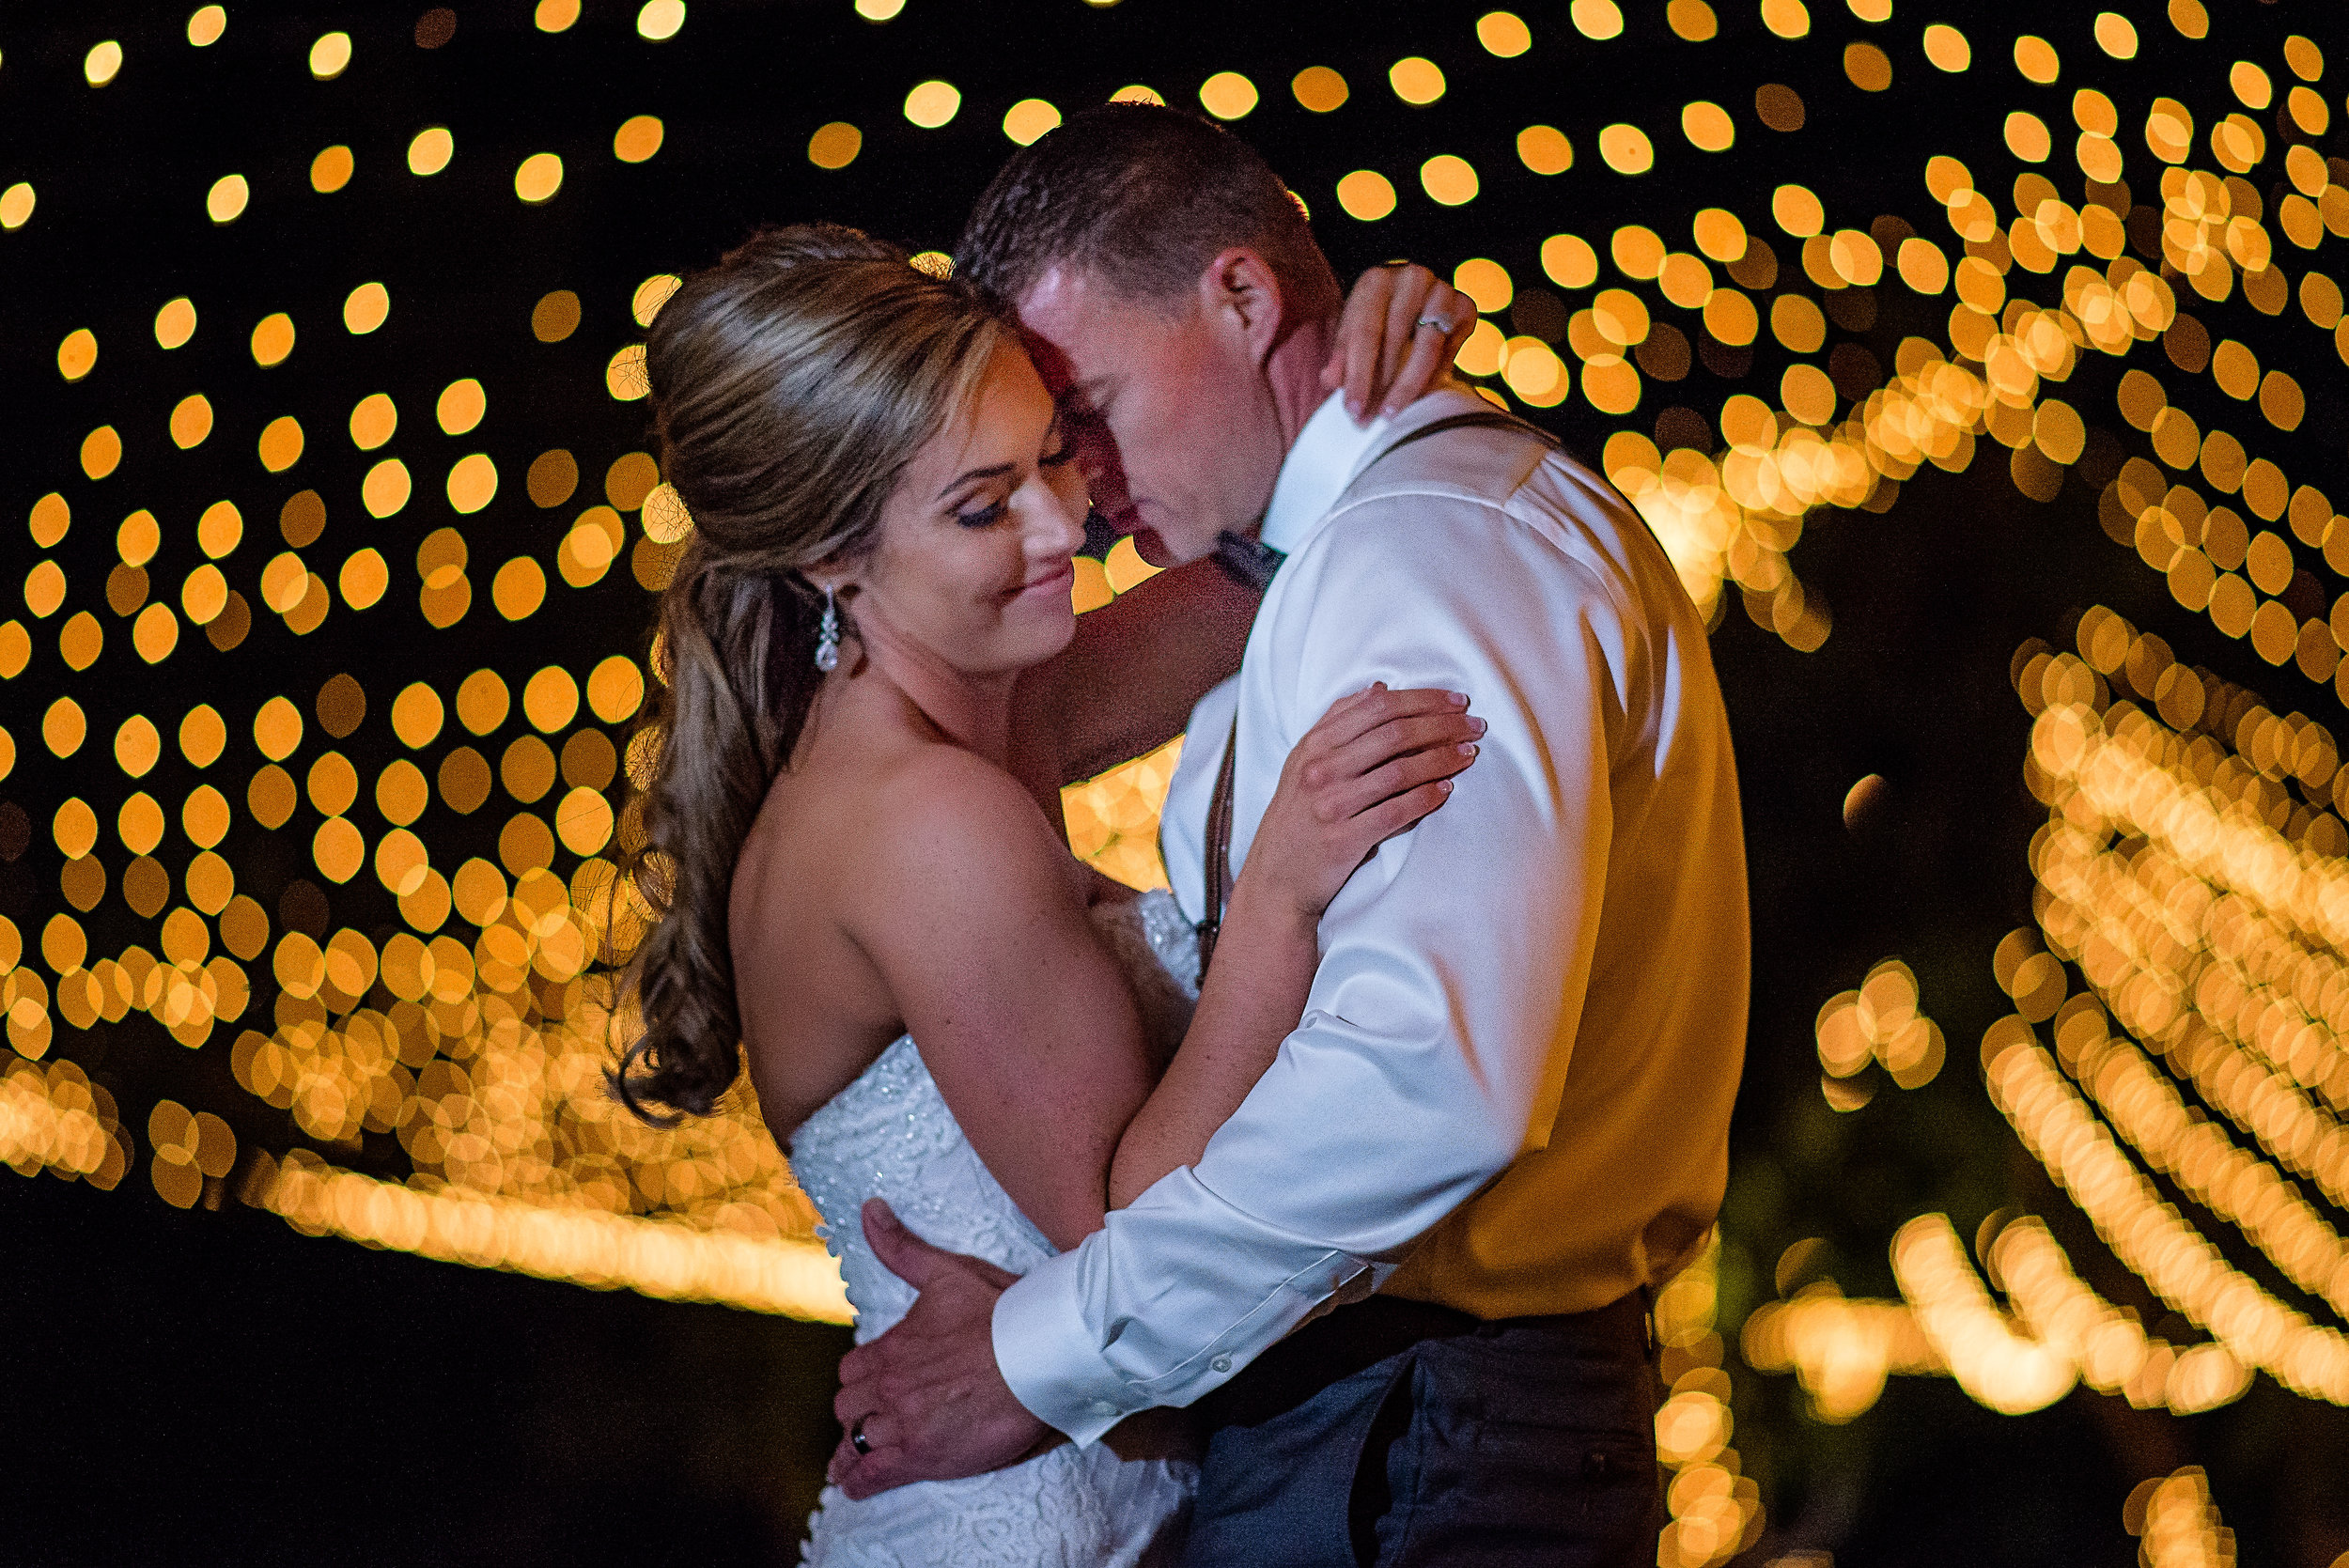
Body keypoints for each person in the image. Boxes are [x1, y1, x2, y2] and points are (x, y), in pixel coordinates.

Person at [829, 104, 1750, 1567]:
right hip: (1407, 1419)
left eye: (1090, 410)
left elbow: (1427, 1080)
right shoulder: (1346, 549)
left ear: (1245, 295)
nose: (1083, 484)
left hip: (1416, 1430)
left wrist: (1039, 1355)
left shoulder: (1426, 555)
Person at [613, 223, 1486, 1565]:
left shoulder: (991, 702)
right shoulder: (925, 823)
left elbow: (1272, 556)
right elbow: (1130, 1219)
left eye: (1055, 454)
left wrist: (1354, 363)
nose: (1064, 521)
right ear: (833, 564)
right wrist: (1276, 897)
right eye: (984, 503)